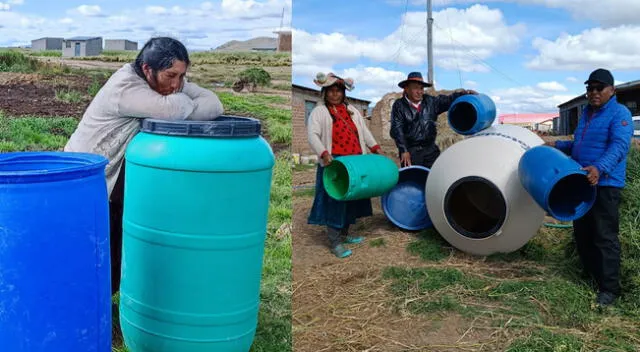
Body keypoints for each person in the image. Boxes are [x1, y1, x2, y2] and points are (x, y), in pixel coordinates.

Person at [64, 37, 224, 295]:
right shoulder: (125, 87)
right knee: (94, 250)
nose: (176, 84)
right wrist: (183, 102)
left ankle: (108, 303)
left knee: (118, 242)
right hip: (84, 178)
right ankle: (87, 308)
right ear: (148, 69)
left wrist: (180, 101)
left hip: (112, 176)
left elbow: (214, 104)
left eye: (182, 76)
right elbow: (173, 112)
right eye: (170, 75)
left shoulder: (165, 84)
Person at [546, 68, 633, 306]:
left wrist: (599, 168)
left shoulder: (619, 113)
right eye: (589, 89)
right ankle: (592, 276)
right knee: (583, 233)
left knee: (604, 236)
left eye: (599, 88)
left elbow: (619, 146)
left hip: (604, 184)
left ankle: (609, 289)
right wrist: (556, 145)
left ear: (611, 90)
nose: (593, 93)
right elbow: (580, 144)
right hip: (582, 180)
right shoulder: (587, 113)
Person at [306, 72, 383, 258]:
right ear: (325, 93)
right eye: (331, 91)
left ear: (343, 93)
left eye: (338, 91)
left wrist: (374, 147)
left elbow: (363, 131)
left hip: (355, 162)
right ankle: (334, 241)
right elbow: (312, 135)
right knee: (336, 200)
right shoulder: (319, 112)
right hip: (335, 163)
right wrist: (324, 153)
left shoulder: (352, 111)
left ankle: (345, 234)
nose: (335, 94)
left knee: (352, 199)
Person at [390, 72, 477, 168]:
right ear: (406, 89)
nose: (420, 92)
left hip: (430, 150)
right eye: (415, 88)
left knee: (434, 177)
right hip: (411, 152)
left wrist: (464, 94)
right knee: (414, 179)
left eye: (421, 88)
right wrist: (404, 150)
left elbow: (447, 100)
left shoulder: (430, 102)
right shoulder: (399, 105)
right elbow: (396, 128)